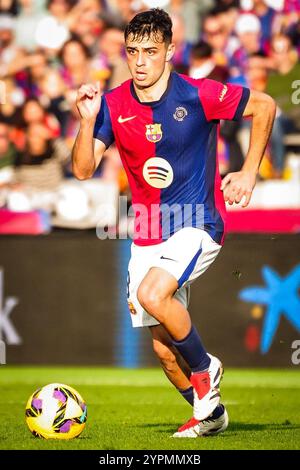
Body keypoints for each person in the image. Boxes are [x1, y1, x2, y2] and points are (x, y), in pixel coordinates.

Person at [72, 9, 276, 438]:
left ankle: (206, 368)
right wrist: (88, 119)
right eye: (132, 52)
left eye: (150, 51)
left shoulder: (198, 94)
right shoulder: (112, 104)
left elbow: (265, 105)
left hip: (197, 220)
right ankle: (211, 414)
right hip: (147, 230)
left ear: (168, 51)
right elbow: (84, 169)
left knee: (152, 294)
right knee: (165, 352)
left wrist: (250, 170)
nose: (140, 61)